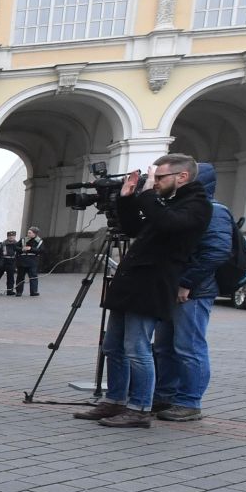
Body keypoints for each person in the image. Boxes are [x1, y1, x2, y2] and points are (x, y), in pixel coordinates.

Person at [74, 153, 211, 428]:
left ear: (182, 177)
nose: (155, 183)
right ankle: (114, 401)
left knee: (136, 348)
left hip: (152, 284)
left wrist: (147, 195)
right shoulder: (167, 202)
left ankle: (139, 408)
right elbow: (134, 228)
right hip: (131, 283)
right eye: (154, 178)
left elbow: (167, 224)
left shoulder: (197, 206)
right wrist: (126, 199)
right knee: (112, 346)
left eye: (160, 177)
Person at [151, 163, 230, 421]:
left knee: (189, 347)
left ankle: (189, 401)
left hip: (193, 291)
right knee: (164, 347)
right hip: (172, 287)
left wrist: (188, 282)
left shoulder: (214, 212)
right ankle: (164, 396)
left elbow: (217, 251)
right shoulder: (183, 208)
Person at [19, 228, 46, 296]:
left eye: (29, 233)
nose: (28, 234)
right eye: (28, 232)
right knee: (20, 277)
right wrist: (22, 249)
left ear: (34, 234)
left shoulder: (39, 241)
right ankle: (19, 292)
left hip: (33, 261)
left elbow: (42, 250)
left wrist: (31, 249)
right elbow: (15, 247)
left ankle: (33, 291)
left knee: (33, 276)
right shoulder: (23, 240)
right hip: (23, 260)